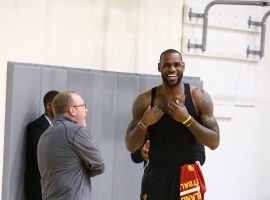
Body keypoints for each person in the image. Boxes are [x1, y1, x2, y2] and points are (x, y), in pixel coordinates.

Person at [125, 49, 220, 200]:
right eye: (167, 65)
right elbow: (130, 145)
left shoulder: (199, 97)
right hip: (156, 175)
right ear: (159, 67)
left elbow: (214, 142)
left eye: (176, 64)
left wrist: (187, 120)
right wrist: (144, 123)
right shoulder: (145, 100)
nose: (172, 69)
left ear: (183, 66)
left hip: (187, 176)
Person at [37, 91, 105, 200]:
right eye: (83, 106)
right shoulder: (76, 131)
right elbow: (99, 165)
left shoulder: (45, 135)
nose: (86, 110)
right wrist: (83, 166)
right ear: (72, 110)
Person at [25, 90, 59, 200]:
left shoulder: (59, 128)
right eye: (60, 106)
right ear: (49, 107)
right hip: (39, 192)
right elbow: (41, 159)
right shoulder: (36, 127)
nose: (64, 110)